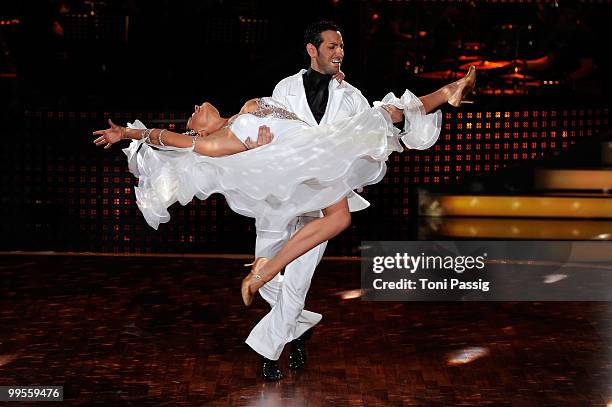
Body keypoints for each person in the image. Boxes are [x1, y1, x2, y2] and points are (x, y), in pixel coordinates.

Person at [92, 32, 475, 385]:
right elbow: (173, 139)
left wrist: (290, 133)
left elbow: (294, 125)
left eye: (341, 47)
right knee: (286, 276)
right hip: (282, 196)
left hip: (318, 171)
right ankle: (296, 320)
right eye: (332, 46)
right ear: (313, 50)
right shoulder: (221, 137)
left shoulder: (255, 106)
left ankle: (269, 348)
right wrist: (128, 132)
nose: (196, 107)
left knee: (373, 124)